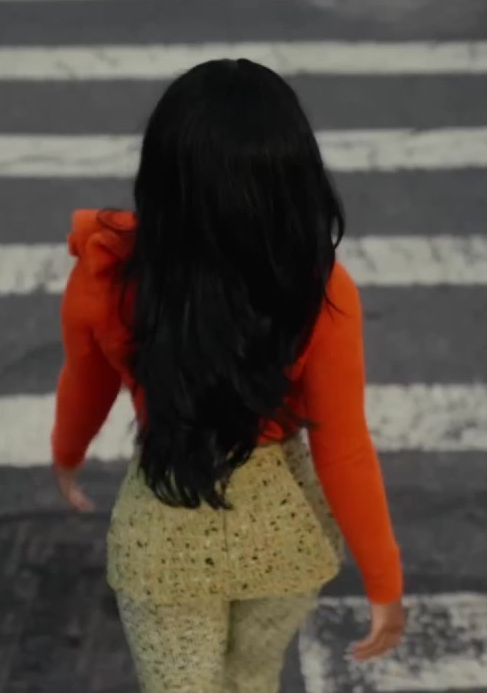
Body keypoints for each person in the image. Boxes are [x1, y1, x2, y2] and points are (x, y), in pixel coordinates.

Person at [50, 57, 406, 692]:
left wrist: (67, 453)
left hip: (167, 519)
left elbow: (87, 383)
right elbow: (343, 445)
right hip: (286, 528)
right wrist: (384, 583)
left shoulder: (107, 277)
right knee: (253, 678)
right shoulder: (319, 292)